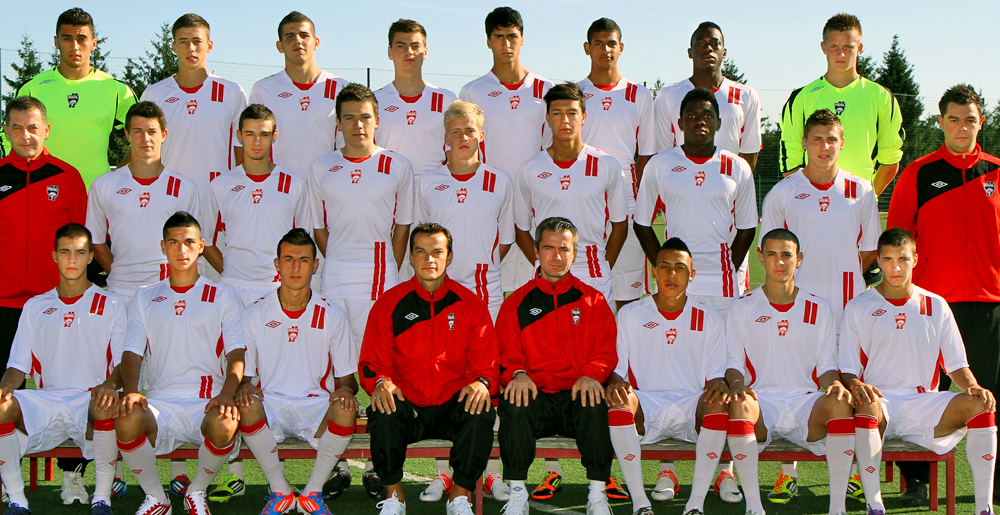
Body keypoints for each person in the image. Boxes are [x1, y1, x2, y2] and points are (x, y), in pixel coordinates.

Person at [888, 84, 1000, 504]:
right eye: (953, 119)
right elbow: (898, 239)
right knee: (922, 393)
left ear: (981, 122)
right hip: (930, 306)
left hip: (988, 303)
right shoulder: (918, 173)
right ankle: (916, 478)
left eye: (969, 119)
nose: (961, 127)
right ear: (941, 122)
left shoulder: (997, 171)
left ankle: (995, 482)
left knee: (990, 393)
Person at [841, 227, 997, 515]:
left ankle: (983, 508)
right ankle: (875, 504)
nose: (895, 267)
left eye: (902, 258)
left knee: (981, 404)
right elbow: (848, 370)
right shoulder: (858, 307)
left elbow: (956, 365)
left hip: (925, 404)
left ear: (914, 259)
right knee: (866, 403)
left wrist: (973, 386)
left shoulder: (936, 305)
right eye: (888, 259)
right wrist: (856, 385)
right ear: (878, 260)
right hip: (879, 405)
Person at [308, 83, 413, 499]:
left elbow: (402, 227)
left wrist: (387, 267)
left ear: (377, 120)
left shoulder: (398, 165)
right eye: (349, 117)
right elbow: (319, 228)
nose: (357, 125)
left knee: (380, 369)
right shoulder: (321, 167)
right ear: (338, 123)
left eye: (365, 117)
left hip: (381, 278)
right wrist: (340, 259)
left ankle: (374, 463)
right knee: (338, 369)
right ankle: (337, 464)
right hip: (336, 276)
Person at [359, 223, 499, 515]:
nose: (429, 259)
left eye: (437, 252)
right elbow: (371, 363)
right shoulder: (389, 303)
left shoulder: (470, 304)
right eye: (421, 252)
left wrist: (482, 383)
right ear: (410, 256)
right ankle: (395, 497)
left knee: (481, 409)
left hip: (451, 402)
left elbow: (488, 365)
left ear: (449, 256)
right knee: (383, 407)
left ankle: (459, 497)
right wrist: (381, 382)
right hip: (407, 402)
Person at [414, 100, 514, 501]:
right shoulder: (427, 182)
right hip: (440, 295)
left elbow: (505, 239)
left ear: (481, 135)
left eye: (469, 130)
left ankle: (490, 472)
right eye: (455, 131)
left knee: (486, 381)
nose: (463, 137)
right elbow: (421, 240)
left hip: (485, 293)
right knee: (443, 377)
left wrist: (480, 270)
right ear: (446, 137)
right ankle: (443, 474)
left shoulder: (499, 181)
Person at [113, 211, 244, 515]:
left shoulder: (223, 294)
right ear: (163, 246)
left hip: (206, 401)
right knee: (127, 416)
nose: (181, 250)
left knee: (225, 421)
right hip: (161, 402)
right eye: (173, 242)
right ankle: (156, 498)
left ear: (201, 246)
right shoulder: (145, 296)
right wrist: (131, 390)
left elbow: (236, 354)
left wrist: (227, 393)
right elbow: (131, 352)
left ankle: (196, 491)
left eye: (188, 242)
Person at [725, 228, 855, 515]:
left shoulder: (819, 308)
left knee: (840, 402)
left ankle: (837, 508)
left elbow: (826, 368)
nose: (779, 261)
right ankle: (754, 508)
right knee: (740, 403)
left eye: (786, 254)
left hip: (804, 404)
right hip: (761, 402)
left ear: (799, 259)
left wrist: (835, 384)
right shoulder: (742, 306)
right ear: (760, 257)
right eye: (772, 254)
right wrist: (735, 384)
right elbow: (734, 364)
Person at [0, 96, 92, 501]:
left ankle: (72, 476)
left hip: (55, 304)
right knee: (4, 394)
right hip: (3, 304)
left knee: (68, 390)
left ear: (47, 129)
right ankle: (6, 480)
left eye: (33, 127)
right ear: (6, 131)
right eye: (17, 127)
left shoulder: (67, 177)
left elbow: (81, 243)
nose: (26, 135)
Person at [497, 217, 618, 515]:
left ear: (574, 253)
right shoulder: (516, 302)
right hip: (536, 396)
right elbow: (505, 353)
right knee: (514, 401)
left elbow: (606, 351)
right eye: (549, 248)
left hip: (576, 394)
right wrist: (518, 374)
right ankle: (517, 494)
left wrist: (592, 374)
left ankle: (597, 494)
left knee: (595, 401)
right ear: (536, 251)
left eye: (564, 249)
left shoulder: (593, 300)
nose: (556, 256)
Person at [0, 224, 123, 515]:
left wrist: (109, 385)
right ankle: (17, 501)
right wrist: (5, 388)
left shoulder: (112, 303)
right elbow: (17, 367)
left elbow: (123, 364)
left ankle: (101, 498)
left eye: (80, 252)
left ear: (90, 257)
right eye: (65, 252)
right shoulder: (35, 306)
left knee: (104, 403)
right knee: (1, 405)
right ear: (54, 256)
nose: (72, 259)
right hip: (47, 400)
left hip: (89, 401)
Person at [237, 228, 358, 515]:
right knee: (246, 403)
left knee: (346, 408)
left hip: (316, 405)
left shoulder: (332, 314)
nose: (295, 268)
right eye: (288, 259)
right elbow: (245, 377)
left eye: (303, 260)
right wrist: (244, 386)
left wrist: (346, 390)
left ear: (315, 265)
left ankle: (312, 494)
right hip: (271, 403)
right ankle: (280, 491)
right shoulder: (253, 314)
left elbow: (347, 380)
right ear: (277, 264)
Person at [606, 237, 731, 515]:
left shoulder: (709, 317)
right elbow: (616, 371)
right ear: (654, 271)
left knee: (717, 401)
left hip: (691, 405)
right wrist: (615, 383)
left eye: (680, 268)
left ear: (692, 274)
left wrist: (719, 384)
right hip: (646, 405)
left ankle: (696, 504)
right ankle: (640, 503)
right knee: (619, 399)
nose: (672, 274)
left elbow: (716, 376)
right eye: (664, 267)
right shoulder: (630, 314)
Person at [654, 21, 763, 298]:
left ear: (724, 51)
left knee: (729, 296)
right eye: (701, 44)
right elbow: (663, 157)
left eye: (714, 44)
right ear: (690, 52)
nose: (708, 49)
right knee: (679, 298)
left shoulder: (746, 95)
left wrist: (729, 192)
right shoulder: (668, 95)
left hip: (727, 209)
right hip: (683, 209)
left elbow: (749, 154)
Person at [634, 87, 757, 317]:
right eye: (691, 116)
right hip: (675, 282)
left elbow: (747, 228)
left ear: (718, 123)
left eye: (707, 116)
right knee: (677, 340)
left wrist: (729, 267)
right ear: (680, 124)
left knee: (722, 340)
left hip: (721, 283)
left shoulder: (738, 166)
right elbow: (641, 224)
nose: (700, 121)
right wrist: (666, 265)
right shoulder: (660, 164)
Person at [460, 6, 553, 295]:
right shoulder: (472, 91)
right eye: (498, 37)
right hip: (489, 202)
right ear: (488, 41)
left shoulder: (545, 89)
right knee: (487, 289)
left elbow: (552, 148)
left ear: (522, 39)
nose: (506, 44)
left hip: (535, 202)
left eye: (512, 36)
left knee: (538, 290)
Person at [761, 109, 879, 329]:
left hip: (847, 301)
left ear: (842, 143)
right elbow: (769, 251)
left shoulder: (862, 190)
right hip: (798, 301)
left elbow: (870, 248)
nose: (824, 147)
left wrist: (844, 274)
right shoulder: (782, 192)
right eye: (817, 139)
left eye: (831, 140)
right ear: (804, 143)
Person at [513, 83, 628, 308]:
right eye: (557, 113)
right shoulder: (530, 169)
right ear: (547, 118)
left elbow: (620, 225)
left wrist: (603, 265)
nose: (564, 120)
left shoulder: (606, 164)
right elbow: (520, 228)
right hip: (549, 275)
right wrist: (542, 263)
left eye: (572, 113)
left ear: (583, 116)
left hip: (593, 274)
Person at [576, 17, 656, 309]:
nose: (605, 50)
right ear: (587, 48)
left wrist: (639, 198)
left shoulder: (640, 95)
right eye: (598, 43)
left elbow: (647, 155)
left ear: (621, 48)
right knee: (583, 292)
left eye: (611, 43)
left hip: (628, 200)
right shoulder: (574, 94)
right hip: (585, 198)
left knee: (627, 295)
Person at [87, 101, 201, 302]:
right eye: (137, 131)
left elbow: (192, 244)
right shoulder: (104, 185)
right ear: (127, 135)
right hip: (120, 291)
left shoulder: (185, 188)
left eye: (152, 131)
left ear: (164, 135)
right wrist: (119, 272)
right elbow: (95, 241)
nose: (145, 138)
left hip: (167, 291)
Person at [778, 13, 902, 197]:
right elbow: (790, 159)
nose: (840, 54)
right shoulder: (801, 97)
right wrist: (810, 198)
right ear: (824, 47)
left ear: (859, 48)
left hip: (860, 204)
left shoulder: (881, 97)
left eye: (848, 47)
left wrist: (867, 198)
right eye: (834, 46)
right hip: (811, 205)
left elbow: (890, 158)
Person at [10, 8, 135, 188]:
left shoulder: (117, 90)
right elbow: (8, 136)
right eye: (67, 39)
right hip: (43, 190)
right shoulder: (32, 88)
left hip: (96, 193)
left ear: (93, 43)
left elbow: (143, 135)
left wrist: (119, 175)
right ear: (57, 42)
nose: (75, 47)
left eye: (82, 39)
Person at [204, 104, 312, 307]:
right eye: (250, 134)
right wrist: (230, 273)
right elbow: (206, 241)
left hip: (277, 286)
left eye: (264, 134)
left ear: (274, 136)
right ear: (239, 135)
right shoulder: (221, 185)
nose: (256, 141)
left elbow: (304, 242)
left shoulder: (294, 184)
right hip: (232, 286)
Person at [140, 13, 248, 216]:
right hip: (168, 195)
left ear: (209, 45)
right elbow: (142, 148)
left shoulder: (232, 92)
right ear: (174, 47)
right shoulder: (155, 94)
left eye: (197, 41)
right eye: (183, 41)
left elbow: (242, 150)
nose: (190, 48)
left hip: (218, 195)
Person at [249, 11, 348, 177]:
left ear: (316, 42)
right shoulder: (264, 89)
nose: (297, 41)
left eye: (304, 35)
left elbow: (347, 145)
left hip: (325, 182)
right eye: (290, 36)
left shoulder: (340, 87)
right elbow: (253, 145)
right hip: (278, 184)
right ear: (280, 46)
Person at [374, 19, 458, 177]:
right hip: (390, 187)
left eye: (415, 46)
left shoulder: (446, 99)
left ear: (425, 52)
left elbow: (456, 152)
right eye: (401, 46)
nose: (409, 52)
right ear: (390, 52)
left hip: (434, 187)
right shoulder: (375, 101)